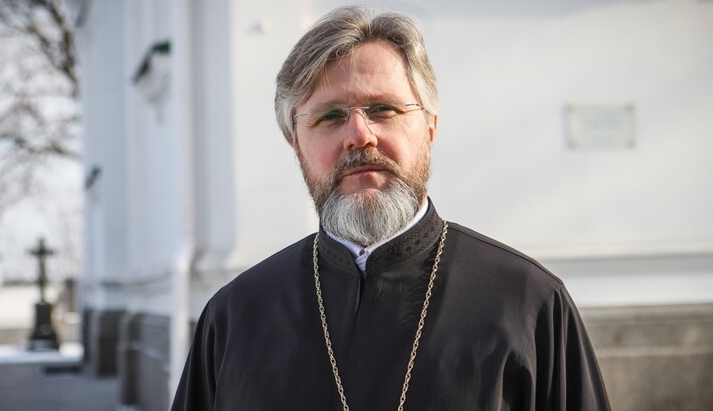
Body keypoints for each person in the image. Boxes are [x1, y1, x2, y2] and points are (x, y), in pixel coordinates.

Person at [171, 6, 611, 411]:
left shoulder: (529, 303)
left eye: (383, 108)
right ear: (295, 143)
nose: (359, 135)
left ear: (430, 128)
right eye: (329, 116)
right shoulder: (235, 316)